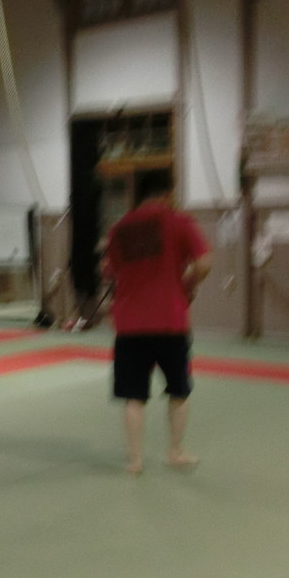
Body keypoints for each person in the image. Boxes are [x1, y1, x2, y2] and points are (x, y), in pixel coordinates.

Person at [102, 168, 211, 475]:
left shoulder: (120, 228)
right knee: (178, 390)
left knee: (133, 396)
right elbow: (204, 262)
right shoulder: (180, 222)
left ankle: (135, 460)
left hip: (129, 323)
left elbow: (108, 270)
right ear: (167, 193)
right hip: (169, 320)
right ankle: (175, 452)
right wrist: (188, 285)